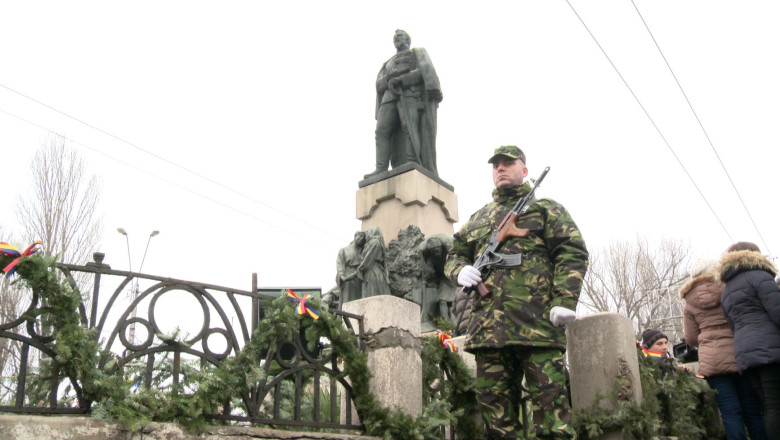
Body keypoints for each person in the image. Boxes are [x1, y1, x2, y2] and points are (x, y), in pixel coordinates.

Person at [444, 145, 588, 439]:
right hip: (488, 331)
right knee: (496, 420)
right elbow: (453, 254)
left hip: (537, 327)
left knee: (553, 416)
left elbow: (571, 252)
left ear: (524, 170)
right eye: (496, 165)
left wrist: (564, 299)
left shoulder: (546, 209)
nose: (500, 168)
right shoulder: (479, 217)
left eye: (508, 163)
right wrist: (459, 270)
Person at [680, 257, 766, 440]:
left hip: (712, 363)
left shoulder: (689, 302)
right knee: (753, 411)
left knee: (730, 413)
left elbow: (691, 338)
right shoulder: (729, 290)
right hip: (739, 355)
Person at [718, 242, 780, 439]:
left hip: (745, 355)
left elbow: (733, 325)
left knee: (769, 407)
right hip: (771, 350)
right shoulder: (761, 277)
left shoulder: (726, 291)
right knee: (776, 407)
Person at [365, 29, 442, 178]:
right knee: (381, 130)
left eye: (400, 37)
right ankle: (381, 167)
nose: (396, 39)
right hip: (389, 97)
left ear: (407, 40)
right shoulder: (387, 63)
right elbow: (378, 84)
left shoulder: (415, 54)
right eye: (395, 37)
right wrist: (388, 78)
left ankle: (412, 161)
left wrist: (402, 79)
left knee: (410, 128)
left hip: (409, 95)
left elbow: (423, 73)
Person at [336, 231, 367, 308]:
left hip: (359, 277)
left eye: (363, 237)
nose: (361, 238)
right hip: (348, 277)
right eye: (360, 236)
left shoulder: (364, 251)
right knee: (348, 299)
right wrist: (342, 276)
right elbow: (340, 264)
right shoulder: (344, 250)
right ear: (355, 236)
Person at [357, 227, 390, 297]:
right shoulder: (372, 242)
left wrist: (360, 268)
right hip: (370, 272)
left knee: (372, 295)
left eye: (368, 233)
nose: (366, 237)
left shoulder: (375, 242)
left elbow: (369, 258)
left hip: (373, 272)